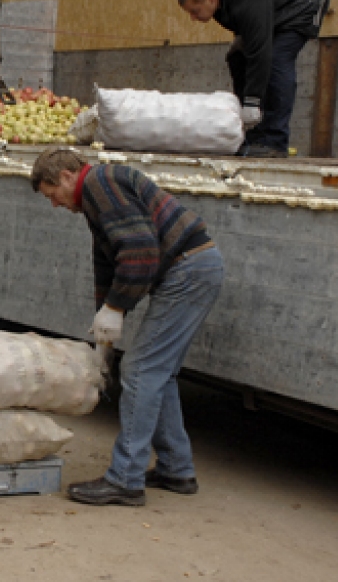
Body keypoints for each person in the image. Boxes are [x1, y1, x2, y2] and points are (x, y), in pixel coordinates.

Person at [31, 146, 224, 506]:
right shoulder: (97, 195)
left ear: (67, 177)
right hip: (197, 266)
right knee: (158, 374)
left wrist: (116, 308)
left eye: (52, 194)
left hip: (189, 269)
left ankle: (125, 479)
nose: (55, 204)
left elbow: (139, 250)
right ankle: (176, 470)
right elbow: (109, 261)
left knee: (138, 371)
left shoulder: (100, 185)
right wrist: (103, 321)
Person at [178, 0, 330, 158]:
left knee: (276, 59)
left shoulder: (250, 2)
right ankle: (253, 135)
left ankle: (274, 140)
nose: (193, 18)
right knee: (237, 56)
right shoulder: (222, 4)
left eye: (194, 11)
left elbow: (260, 52)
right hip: (271, 8)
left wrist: (252, 99)